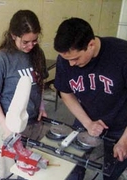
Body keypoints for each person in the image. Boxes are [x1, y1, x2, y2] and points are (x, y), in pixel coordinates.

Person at [53, 17, 127, 180]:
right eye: (67, 60)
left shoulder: (121, 54)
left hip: (120, 127)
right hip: (85, 119)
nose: (70, 64)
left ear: (91, 45)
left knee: (110, 171)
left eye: (75, 59)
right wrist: (87, 123)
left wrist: (124, 140)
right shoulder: (66, 60)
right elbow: (66, 93)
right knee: (73, 167)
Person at [0, 10, 48, 179]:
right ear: (14, 35)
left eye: (34, 40)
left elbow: (40, 83)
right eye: (26, 42)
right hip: (8, 125)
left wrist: (41, 105)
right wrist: (6, 127)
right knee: (11, 172)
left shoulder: (37, 53)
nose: (30, 45)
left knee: (31, 168)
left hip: (33, 122)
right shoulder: (2, 59)